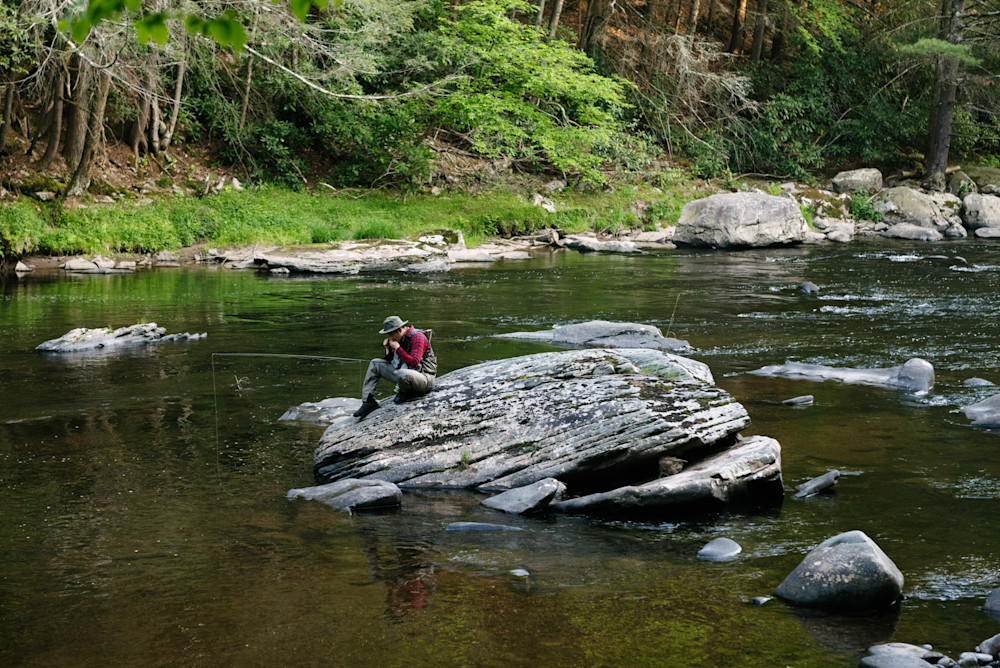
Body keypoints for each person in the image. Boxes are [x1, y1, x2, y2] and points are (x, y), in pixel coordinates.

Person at [353, 315, 437, 419]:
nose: (390, 338)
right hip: (405, 376)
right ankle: (368, 401)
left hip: (424, 379)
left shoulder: (418, 337)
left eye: (391, 334)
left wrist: (397, 348)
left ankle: (405, 392)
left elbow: (415, 362)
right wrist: (388, 349)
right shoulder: (400, 338)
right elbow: (393, 362)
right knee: (375, 363)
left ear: (400, 330)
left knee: (401, 373)